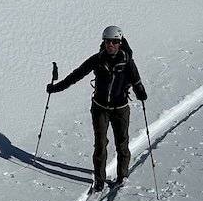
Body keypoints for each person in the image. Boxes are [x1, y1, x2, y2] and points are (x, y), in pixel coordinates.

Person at [47, 25, 147, 191]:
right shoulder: (97, 60)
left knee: (122, 144)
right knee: (100, 144)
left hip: (121, 108)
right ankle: (99, 179)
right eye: (108, 41)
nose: (111, 45)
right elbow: (76, 75)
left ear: (119, 43)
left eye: (114, 42)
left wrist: (141, 94)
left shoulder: (127, 61)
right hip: (100, 107)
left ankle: (122, 177)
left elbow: (136, 81)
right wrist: (56, 88)